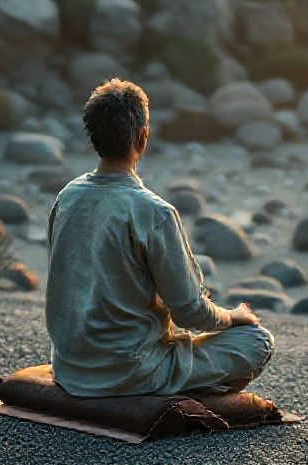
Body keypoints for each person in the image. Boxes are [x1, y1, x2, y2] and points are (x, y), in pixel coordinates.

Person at [45, 78, 274, 397]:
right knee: (257, 340)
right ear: (143, 137)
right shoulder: (154, 212)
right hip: (132, 371)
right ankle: (173, 394)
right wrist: (233, 317)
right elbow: (190, 313)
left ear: (92, 137)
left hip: (70, 368)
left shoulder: (67, 197)